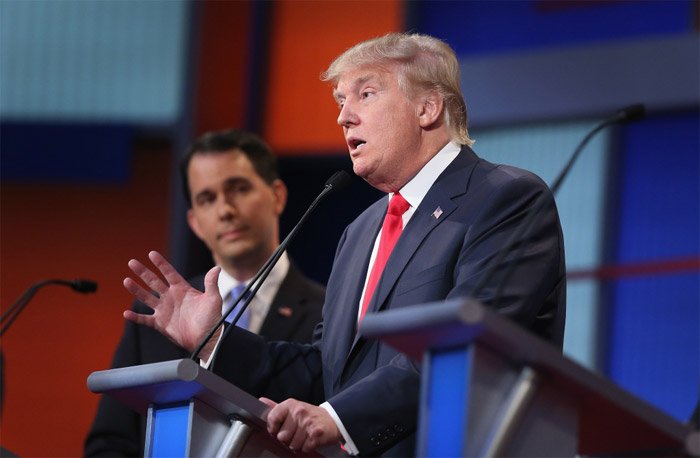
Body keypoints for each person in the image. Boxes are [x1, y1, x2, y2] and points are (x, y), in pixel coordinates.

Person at [122, 33, 566, 456]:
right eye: (340, 101)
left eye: (365, 94)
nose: (343, 117)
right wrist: (215, 339)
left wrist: (337, 418)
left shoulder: (504, 198)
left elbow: (464, 352)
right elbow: (326, 371)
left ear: (427, 108)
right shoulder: (360, 231)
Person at [84, 129, 325, 456]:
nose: (225, 210)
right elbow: (110, 443)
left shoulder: (329, 310)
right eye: (207, 199)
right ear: (195, 222)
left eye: (239, 189)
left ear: (277, 196)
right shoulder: (155, 317)